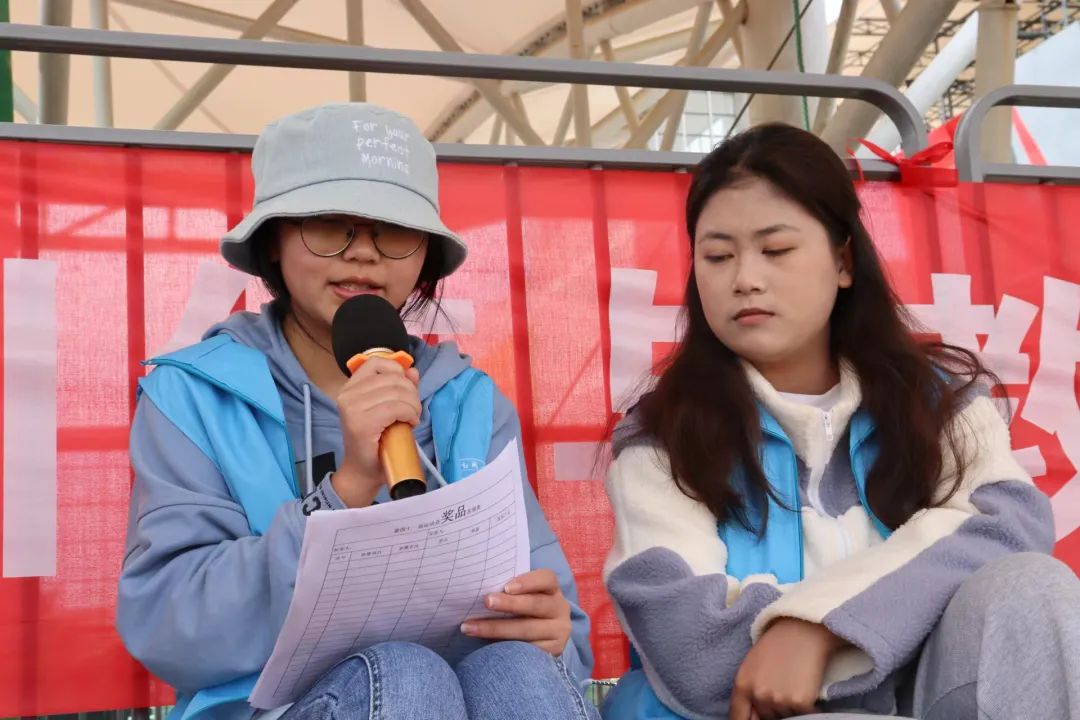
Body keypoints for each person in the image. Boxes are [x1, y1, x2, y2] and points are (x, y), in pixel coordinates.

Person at [118, 103, 596, 720]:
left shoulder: (469, 399)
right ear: (273, 241)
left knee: (518, 669)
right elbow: (167, 624)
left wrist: (550, 630)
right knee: (405, 674)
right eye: (330, 226)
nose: (363, 254)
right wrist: (343, 493)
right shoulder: (192, 395)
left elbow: (564, 631)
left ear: (425, 254)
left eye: (393, 232)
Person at [600, 123, 1080, 720]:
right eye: (717, 256)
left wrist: (816, 629)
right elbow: (697, 655)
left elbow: (1009, 523)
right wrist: (892, 612)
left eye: (776, 250)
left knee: (1033, 587)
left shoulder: (937, 402)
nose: (745, 279)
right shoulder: (661, 439)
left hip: (926, 702)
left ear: (843, 261)